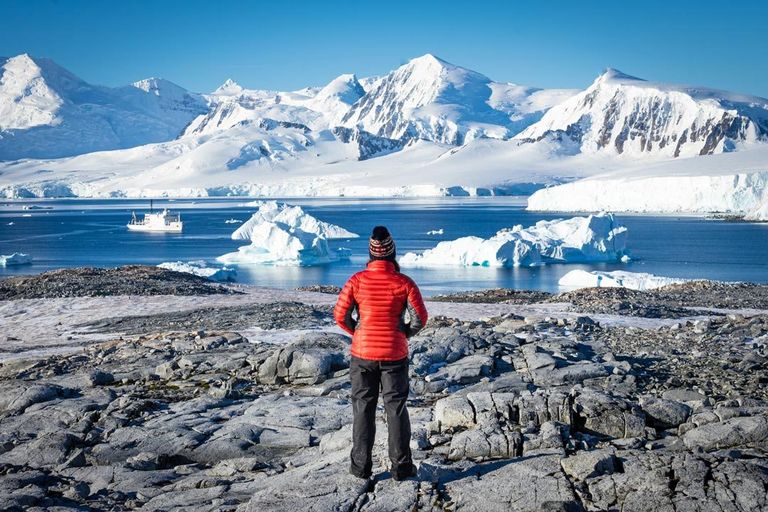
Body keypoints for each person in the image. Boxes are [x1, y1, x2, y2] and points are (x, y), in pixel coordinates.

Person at [333, 226, 429, 481]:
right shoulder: (404, 282)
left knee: (363, 408)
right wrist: (402, 334)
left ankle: (360, 468)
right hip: (394, 355)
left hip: (362, 354)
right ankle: (401, 468)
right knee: (396, 409)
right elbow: (420, 318)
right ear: (392, 253)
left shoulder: (356, 280)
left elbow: (340, 316)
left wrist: (359, 332)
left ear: (371, 254)